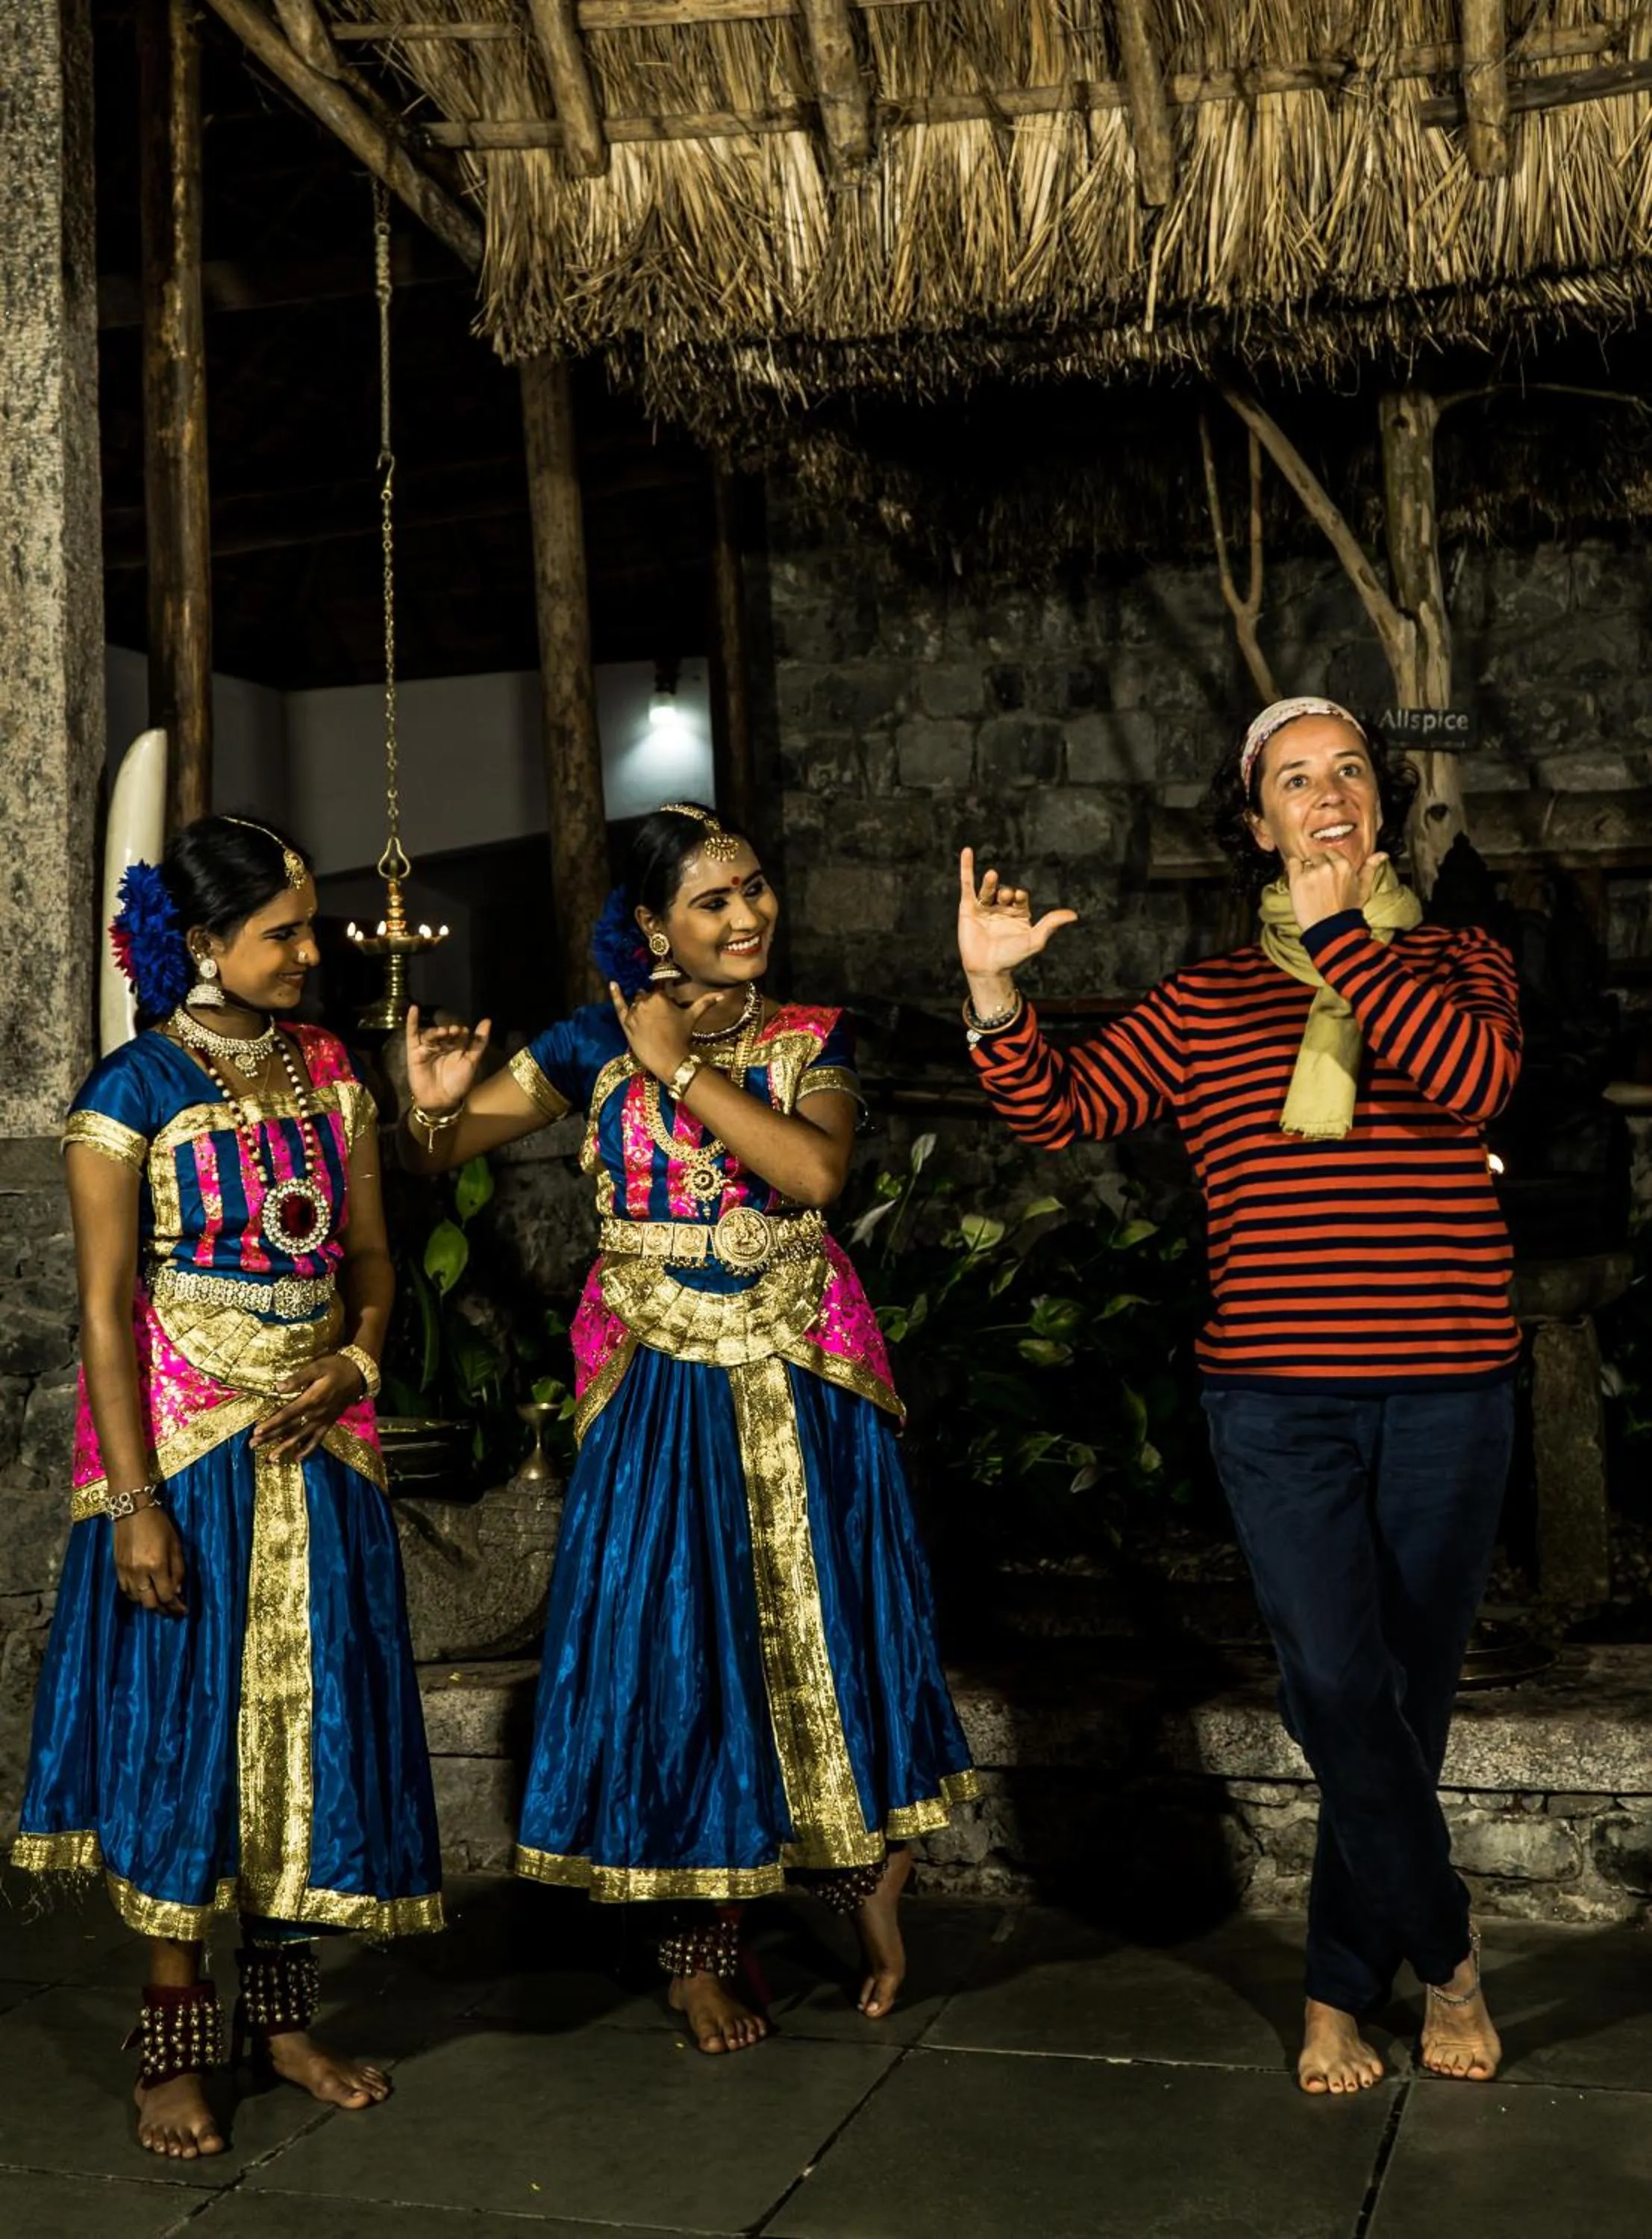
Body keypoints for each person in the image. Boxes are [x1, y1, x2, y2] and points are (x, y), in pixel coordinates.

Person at [957, 699, 1521, 2094]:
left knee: (1405, 1700)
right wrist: (994, 998)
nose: (1327, 794)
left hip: (1447, 1390)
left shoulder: (1462, 961)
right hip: (1276, 1401)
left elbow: (1472, 1081)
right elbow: (1059, 1108)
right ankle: (1445, 1955)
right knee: (1333, 1689)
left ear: (1377, 804)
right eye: (1294, 779)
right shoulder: (1206, 1003)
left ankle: (1335, 1990)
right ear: (1257, 823)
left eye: (1349, 771)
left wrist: (1344, 944)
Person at [404, 802, 977, 2054]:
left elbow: (812, 1175)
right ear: (652, 926)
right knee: (672, 1643)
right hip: (658, 1384)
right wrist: (434, 1110)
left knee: (827, 1624)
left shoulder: (810, 1036)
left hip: (801, 1372)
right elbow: (442, 1151)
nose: (747, 913)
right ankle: (696, 1943)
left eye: (753, 887)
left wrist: (678, 1067)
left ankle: (863, 1871)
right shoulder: (588, 1040)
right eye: (712, 901)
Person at [13, 816, 442, 2158]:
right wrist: (133, 1501)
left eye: (309, 928)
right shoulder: (131, 1089)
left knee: (313, 1737)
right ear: (202, 942)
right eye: (283, 933)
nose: (310, 954)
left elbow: (370, 1258)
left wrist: (357, 1360)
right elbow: (105, 1313)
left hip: (322, 1449)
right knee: (183, 1736)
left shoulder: (330, 1071)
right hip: (189, 1459)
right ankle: (174, 2045)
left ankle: (286, 2023)